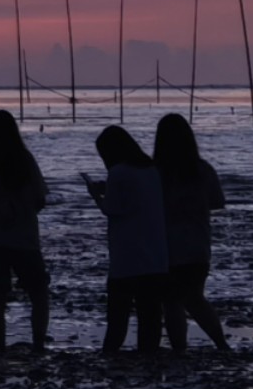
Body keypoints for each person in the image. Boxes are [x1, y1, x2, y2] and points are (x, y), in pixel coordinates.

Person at [0, 109, 49, 356]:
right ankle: (38, 344)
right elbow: (40, 197)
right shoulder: (24, 159)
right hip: (24, 237)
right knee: (38, 293)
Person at [85, 125, 169, 355]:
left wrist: (96, 195)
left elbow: (112, 209)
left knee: (118, 317)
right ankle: (148, 358)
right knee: (150, 316)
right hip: (155, 254)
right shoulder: (151, 169)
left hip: (127, 256)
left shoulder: (118, 172)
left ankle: (110, 355)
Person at [153, 113, 232, 352]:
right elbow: (218, 201)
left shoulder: (157, 172)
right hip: (198, 244)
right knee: (193, 297)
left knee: (173, 300)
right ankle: (219, 343)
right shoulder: (201, 169)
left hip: (167, 245)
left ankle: (183, 348)